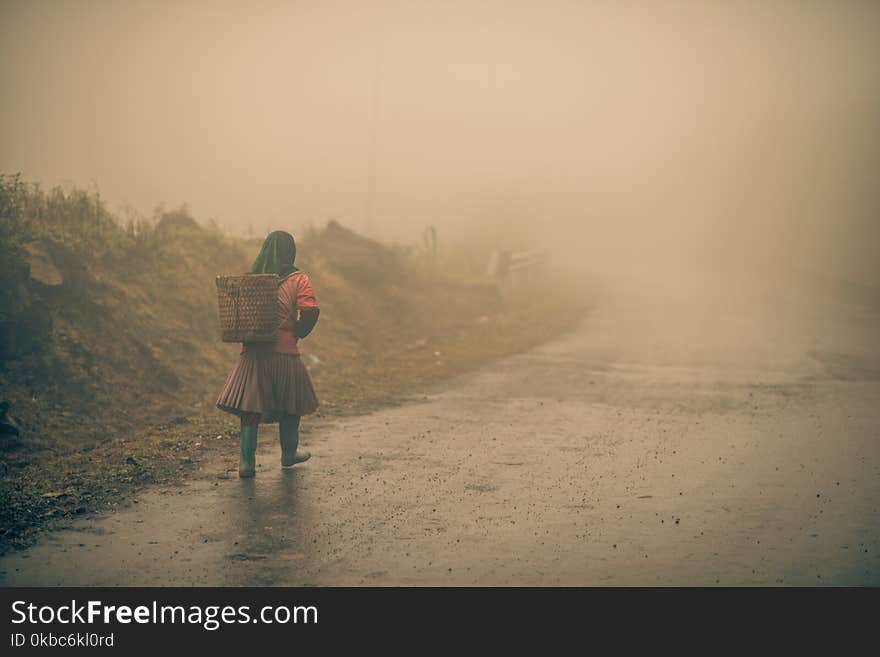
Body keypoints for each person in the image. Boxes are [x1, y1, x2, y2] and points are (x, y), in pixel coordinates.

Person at [216, 230, 320, 477]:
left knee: (250, 407)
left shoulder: (251, 279)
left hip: (252, 354)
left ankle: (246, 463)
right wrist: (296, 331)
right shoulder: (298, 279)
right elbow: (310, 312)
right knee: (290, 404)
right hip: (285, 352)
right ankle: (288, 454)